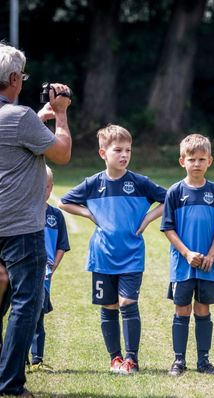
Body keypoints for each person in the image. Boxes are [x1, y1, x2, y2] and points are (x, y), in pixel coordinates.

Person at [59, 124, 166, 375]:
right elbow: (64, 202)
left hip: (131, 255)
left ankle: (132, 359)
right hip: (102, 255)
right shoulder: (93, 183)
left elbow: (169, 199)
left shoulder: (140, 183)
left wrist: (148, 218)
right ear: (103, 153)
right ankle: (115, 358)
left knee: (127, 302)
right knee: (109, 306)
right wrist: (88, 213)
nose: (124, 155)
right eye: (118, 150)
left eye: (128, 150)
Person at [0, 43, 72, 398]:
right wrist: (60, 114)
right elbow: (62, 153)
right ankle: (10, 383)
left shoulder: (19, 118)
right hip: (20, 226)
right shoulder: (20, 117)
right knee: (27, 303)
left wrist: (38, 119)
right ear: (14, 78)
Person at [160, 134, 214, 376]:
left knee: (203, 309)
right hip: (183, 265)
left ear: (210, 161)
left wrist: (211, 255)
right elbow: (168, 228)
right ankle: (179, 361)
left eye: (201, 159)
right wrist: (187, 253)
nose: (197, 164)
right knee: (182, 309)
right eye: (191, 159)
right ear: (182, 161)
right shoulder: (174, 192)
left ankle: (204, 361)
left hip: (208, 265)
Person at [27, 166, 70, 372]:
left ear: (51, 188)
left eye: (45, 186)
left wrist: (54, 266)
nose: (41, 190)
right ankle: (19, 357)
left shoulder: (56, 216)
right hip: (25, 270)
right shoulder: (23, 213)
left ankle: (37, 359)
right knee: (24, 314)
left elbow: (62, 245)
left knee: (38, 317)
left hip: (44, 275)